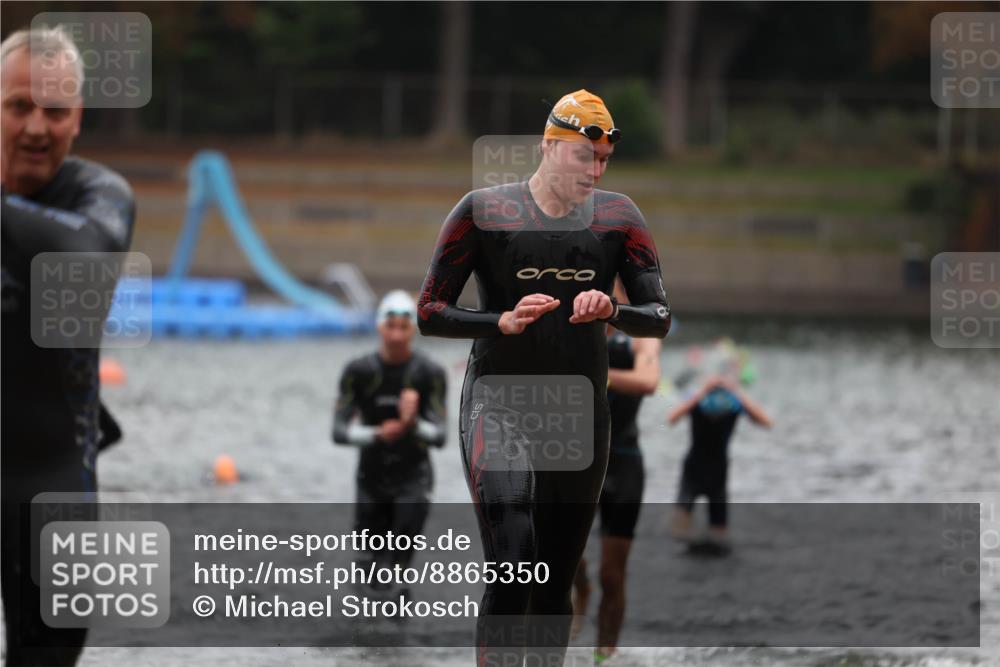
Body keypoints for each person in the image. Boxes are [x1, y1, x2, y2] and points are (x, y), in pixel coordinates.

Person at [417, 89, 670, 666]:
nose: (596, 171)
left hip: (580, 412)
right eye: (585, 157)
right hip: (498, 403)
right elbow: (429, 311)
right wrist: (498, 320)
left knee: (554, 579)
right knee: (513, 556)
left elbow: (659, 316)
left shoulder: (619, 218)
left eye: (604, 160)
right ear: (550, 147)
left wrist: (613, 310)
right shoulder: (482, 211)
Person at [1, 26, 136, 666]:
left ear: (77, 118)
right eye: (17, 106)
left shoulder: (100, 196)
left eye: (54, 111)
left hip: (53, 484)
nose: (35, 127)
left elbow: (83, 258)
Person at [571, 284, 661, 663]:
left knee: (614, 573)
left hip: (623, 460)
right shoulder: (573, 323)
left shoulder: (640, 335)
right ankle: (581, 589)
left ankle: (604, 655)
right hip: (574, 461)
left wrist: (598, 376)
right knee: (565, 560)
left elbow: (648, 381)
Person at [332, 290, 447, 588]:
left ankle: (398, 631)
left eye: (403, 327)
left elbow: (440, 435)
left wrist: (413, 423)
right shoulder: (358, 371)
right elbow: (339, 432)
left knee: (399, 571)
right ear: (379, 326)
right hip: (371, 478)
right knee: (368, 572)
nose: (396, 335)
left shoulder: (429, 373)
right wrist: (377, 433)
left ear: (413, 330)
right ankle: (363, 633)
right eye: (390, 326)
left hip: (414, 478)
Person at [667, 346, 772, 550]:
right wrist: (703, 391)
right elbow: (671, 418)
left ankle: (707, 540)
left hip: (718, 470)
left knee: (719, 536)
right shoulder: (697, 398)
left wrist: (735, 390)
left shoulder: (734, 401)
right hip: (693, 468)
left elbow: (766, 422)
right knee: (678, 530)